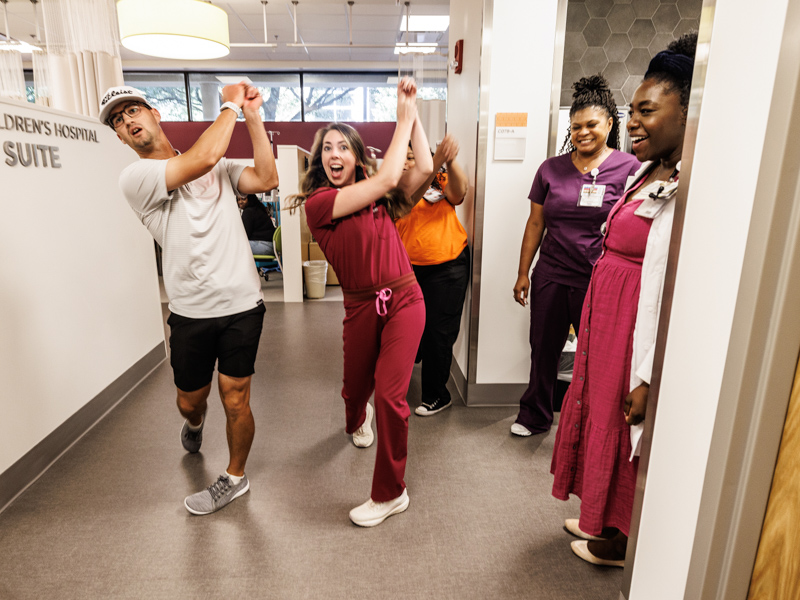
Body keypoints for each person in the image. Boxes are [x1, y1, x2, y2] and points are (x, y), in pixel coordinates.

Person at [550, 32, 698, 566]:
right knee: (599, 415)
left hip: (636, 327)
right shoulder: (646, 171)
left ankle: (620, 539)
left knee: (625, 423)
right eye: (631, 110)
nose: (633, 120)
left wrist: (648, 373)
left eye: (646, 110)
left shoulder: (690, 183)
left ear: (687, 111)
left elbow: (668, 280)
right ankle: (604, 518)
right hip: (607, 318)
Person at [100, 82, 278, 515]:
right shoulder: (135, 177)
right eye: (118, 122)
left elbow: (267, 178)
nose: (127, 121)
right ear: (121, 139)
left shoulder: (219, 166)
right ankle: (194, 424)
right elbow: (203, 158)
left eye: (133, 111)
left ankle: (235, 477)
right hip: (190, 312)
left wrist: (252, 115)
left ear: (155, 114)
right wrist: (231, 104)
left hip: (241, 304)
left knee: (236, 396)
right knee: (190, 400)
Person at [287, 79, 433, 527]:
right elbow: (389, 174)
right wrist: (401, 116)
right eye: (326, 148)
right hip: (360, 307)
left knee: (392, 396)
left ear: (356, 156)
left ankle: (391, 493)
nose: (334, 155)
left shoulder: (381, 197)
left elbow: (423, 166)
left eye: (343, 148)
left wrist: (413, 113)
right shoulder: (320, 203)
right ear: (320, 159)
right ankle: (356, 416)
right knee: (355, 389)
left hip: (406, 298)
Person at [511, 75, 640, 437]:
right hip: (551, 274)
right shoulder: (550, 169)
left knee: (599, 356)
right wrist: (523, 272)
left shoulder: (629, 169)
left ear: (610, 124)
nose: (583, 132)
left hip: (598, 278)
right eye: (576, 126)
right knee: (544, 349)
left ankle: (594, 424)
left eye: (591, 125)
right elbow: (535, 224)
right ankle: (535, 415)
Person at [396, 134, 470, 416]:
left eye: (412, 157)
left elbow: (458, 194)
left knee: (440, 331)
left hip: (448, 265)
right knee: (410, 327)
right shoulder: (391, 189)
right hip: (408, 269)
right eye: (401, 157)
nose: (405, 162)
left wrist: (448, 161)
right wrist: (436, 159)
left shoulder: (439, 180)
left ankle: (437, 395)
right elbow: (406, 200)